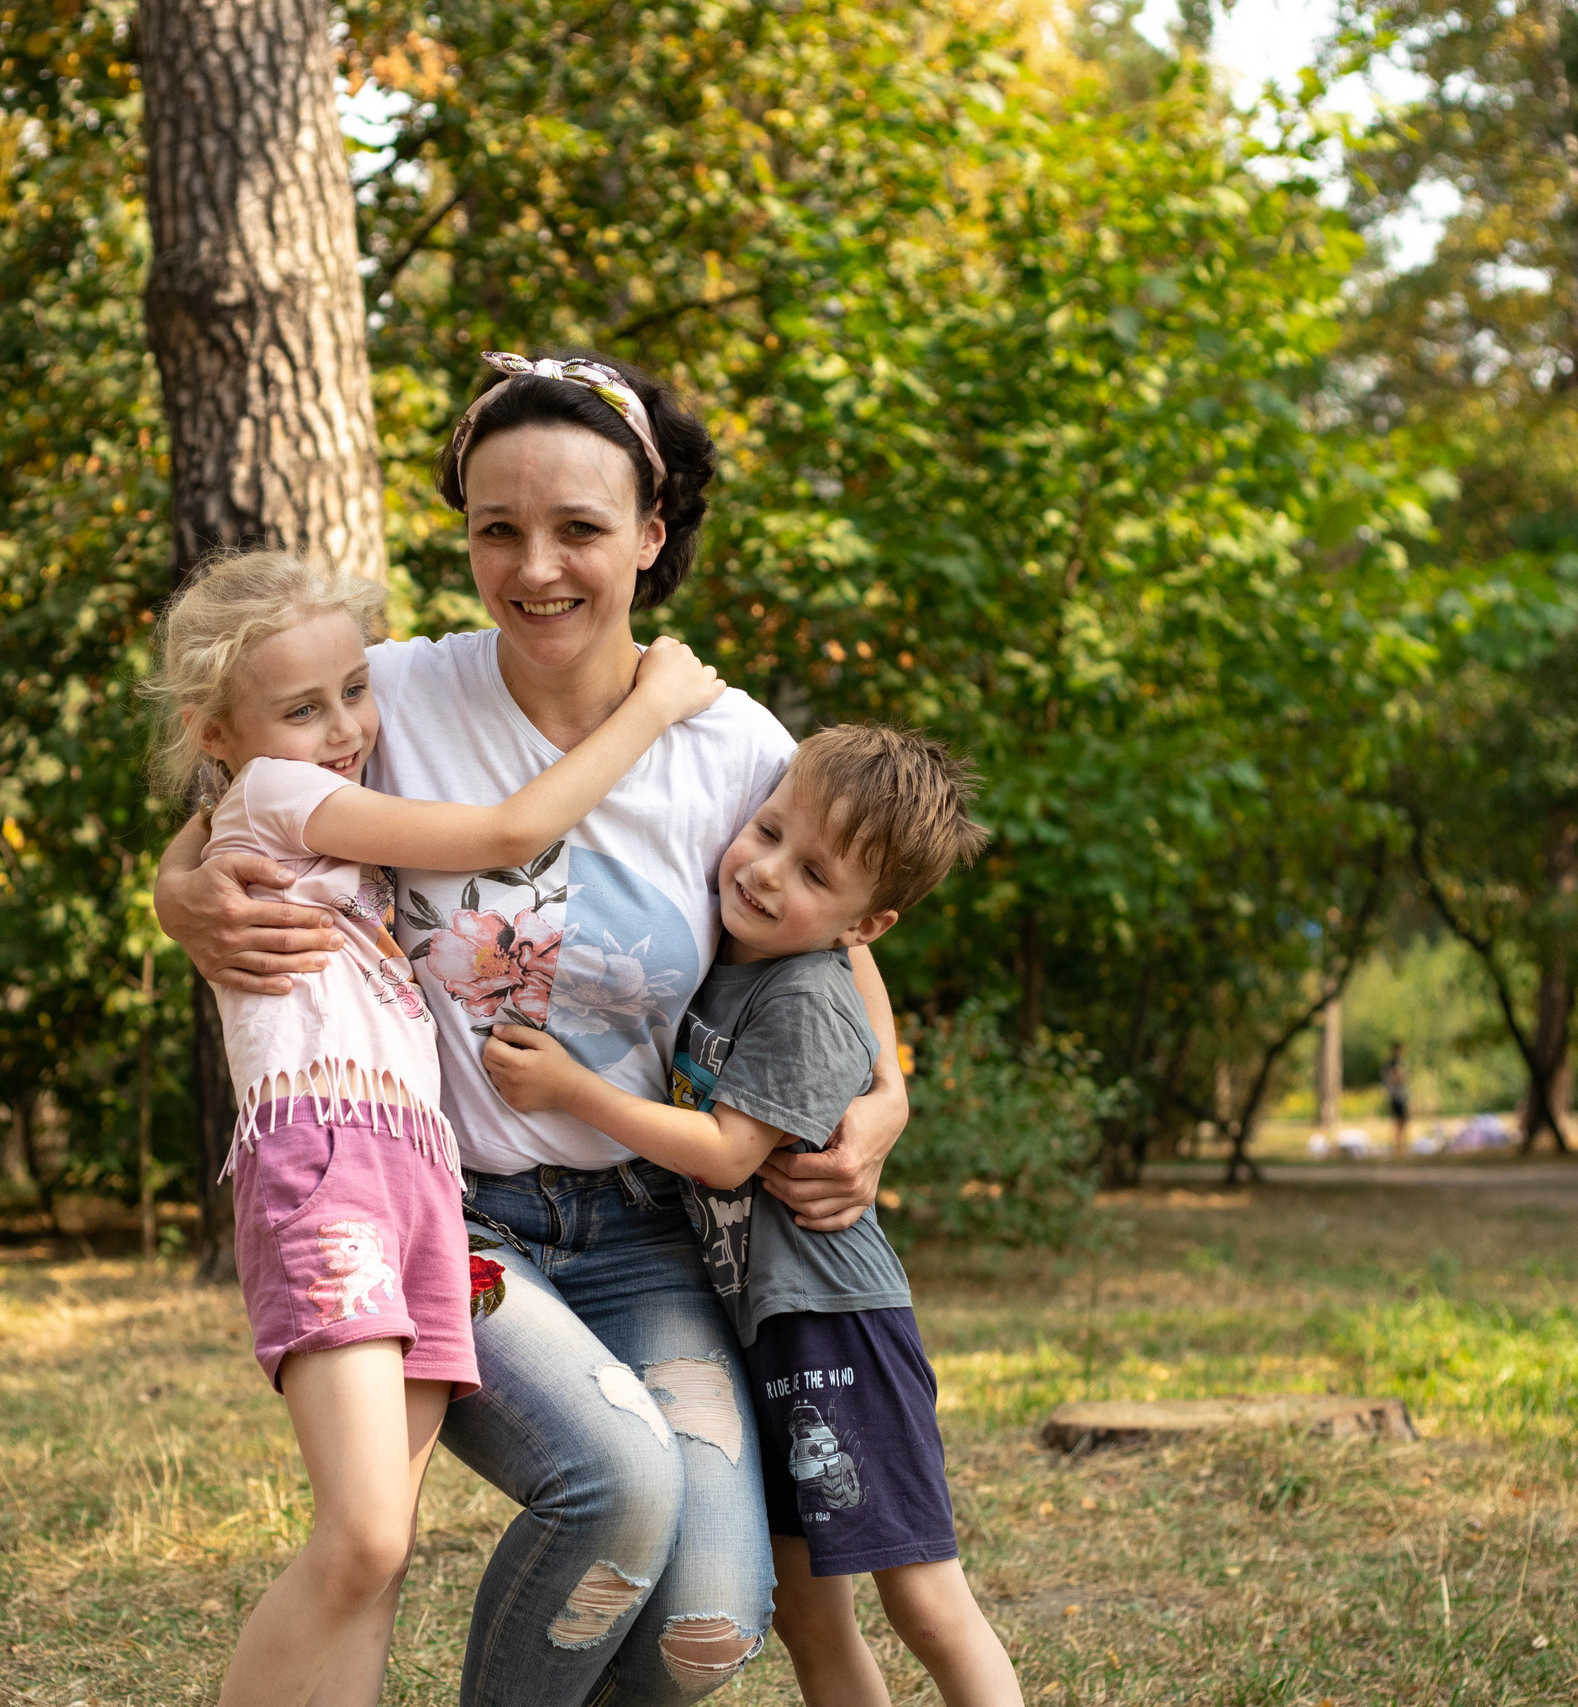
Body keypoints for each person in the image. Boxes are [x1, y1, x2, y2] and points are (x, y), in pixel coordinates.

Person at [153, 349, 910, 1704]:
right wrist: (177, 893)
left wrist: (886, 1104)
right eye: (496, 527)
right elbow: (241, 783)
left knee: (714, 1613)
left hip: (645, 1225)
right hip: (458, 1210)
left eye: (579, 527)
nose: (535, 564)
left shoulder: (733, 745)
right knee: (615, 1489)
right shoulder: (395, 692)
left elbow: (839, 945)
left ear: (652, 533)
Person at [146, 549, 727, 1706]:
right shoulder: (273, 793)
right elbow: (513, 834)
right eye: (301, 709)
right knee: (359, 1538)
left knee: (386, 1553)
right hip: (327, 1160)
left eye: (353, 693)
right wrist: (655, 703)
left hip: (416, 1171)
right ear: (219, 733)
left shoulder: (304, 793)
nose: (346, 725)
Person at [481, 725, 1019, 1707]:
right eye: (766, 831)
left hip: (834, 1326)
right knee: (813, 1614)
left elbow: (730, 1152)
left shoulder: (805, 994)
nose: (766, 873)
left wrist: (569, 1088)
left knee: (925, 1598)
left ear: (867, 927)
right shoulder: (734, 950)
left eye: (812, 872)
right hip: (756, 1324)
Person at [1383, 1041, 1411, 1156]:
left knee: (1401, 1121)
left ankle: (1400, 1145)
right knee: (1400, 1121)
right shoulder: (1394, 1063)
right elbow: (1396, 1078)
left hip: (1398, 1095)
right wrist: (1405, 1077)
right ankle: (1398, 1147)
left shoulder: (1395, 1062)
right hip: (1397, 1096)